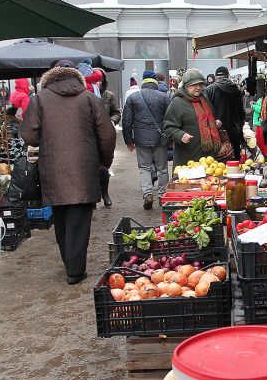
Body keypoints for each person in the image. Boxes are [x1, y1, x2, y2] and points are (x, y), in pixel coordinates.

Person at [21, 60, 116, 285]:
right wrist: (104, 161)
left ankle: (70, 265)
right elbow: (108, 135)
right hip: (85, 170)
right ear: (76, 77)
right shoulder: (90, 99)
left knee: (61, 219)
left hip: (52, 169)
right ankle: (75, 270)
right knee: (80, 220)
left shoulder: (40, 100)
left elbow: (30, 136)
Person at [122, 69, 171, 210]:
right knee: (162, 168)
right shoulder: (164, 97)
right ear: (155, 82)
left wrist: (128, 140)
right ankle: (162, 195)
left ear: (143, 82)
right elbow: (169, 119)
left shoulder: (133, 97)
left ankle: (148, 193)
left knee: (144, 167)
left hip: (140, 138)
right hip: (160, 138)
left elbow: (127, 121)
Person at [163, 69, 223, 168]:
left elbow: (209, 117)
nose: (198, 88)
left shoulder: (204, 99)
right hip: (188, 157)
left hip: (208, 158)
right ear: (186, 86)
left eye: (200, 84)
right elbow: (168, 127)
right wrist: (180, 135)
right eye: (194, 85)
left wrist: (214, 122)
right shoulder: (177, 102)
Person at [203, 66, 245, 160]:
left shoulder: (210, 89)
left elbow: (205, 110)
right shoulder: (236, 89)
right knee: (235, 160)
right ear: (228, 75)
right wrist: (240, 126)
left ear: (215, 76)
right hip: (234, 129)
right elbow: (241, 112)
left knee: (218, 162)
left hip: (217, 130)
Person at [97, 68, 121, 208]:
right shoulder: (85, 94)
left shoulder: (108, 96)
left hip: (105, 136)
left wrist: (112, 121)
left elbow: (117, 112)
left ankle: (105, 193)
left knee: (104, 167)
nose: (98, 83)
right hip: (89, 136)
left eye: (100, 81)